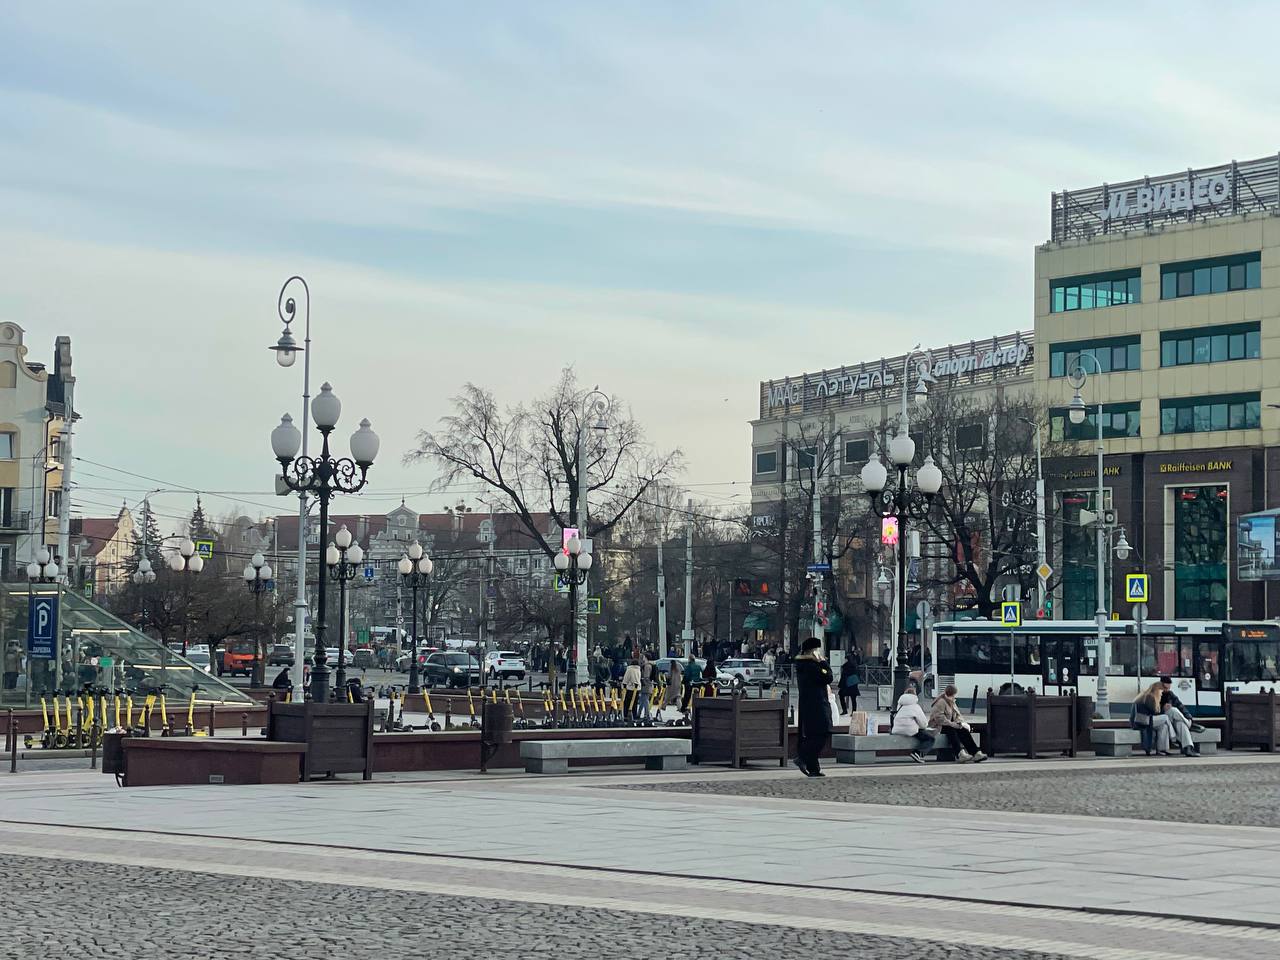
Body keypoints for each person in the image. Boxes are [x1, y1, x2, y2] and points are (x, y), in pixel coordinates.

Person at [793, 637, 834, 777]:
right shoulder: (812, 665)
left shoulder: (803, 664)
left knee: (813, 734)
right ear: (812, 651)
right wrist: (823, 662)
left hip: (809, 704)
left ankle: (813, 768)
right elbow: (828, 677)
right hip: (817, 703)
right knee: (822, 732)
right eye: (817, 650)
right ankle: (803, 757)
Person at [928, 684, 986, 762]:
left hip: (949, 725)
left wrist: (959, 723)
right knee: (951, 729)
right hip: (938, 727)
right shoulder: (941, 702)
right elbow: (939, 718)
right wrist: (953, 724)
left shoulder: (952, 702)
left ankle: (975, 753)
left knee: (963, 730)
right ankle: (960, 754)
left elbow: (958, 715)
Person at [890, 684, 936, 763]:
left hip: (897, 730)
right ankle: (918, 753)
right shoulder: (915, 706)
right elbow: (924, 724)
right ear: (915, 696)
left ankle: (917, 754)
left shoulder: (900, 706)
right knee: (930, 739)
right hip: (909, 730)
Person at [638, 655, 655, 722]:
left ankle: (647, 714)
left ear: (646, 658)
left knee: (645, 700)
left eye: (644, 657)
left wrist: (644, 679)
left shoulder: (647, 666)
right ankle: (639, 713)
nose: (643, 658)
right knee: (642, 700)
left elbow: (646, 676)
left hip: (646, 685)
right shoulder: (649, 665)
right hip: (647, 684)